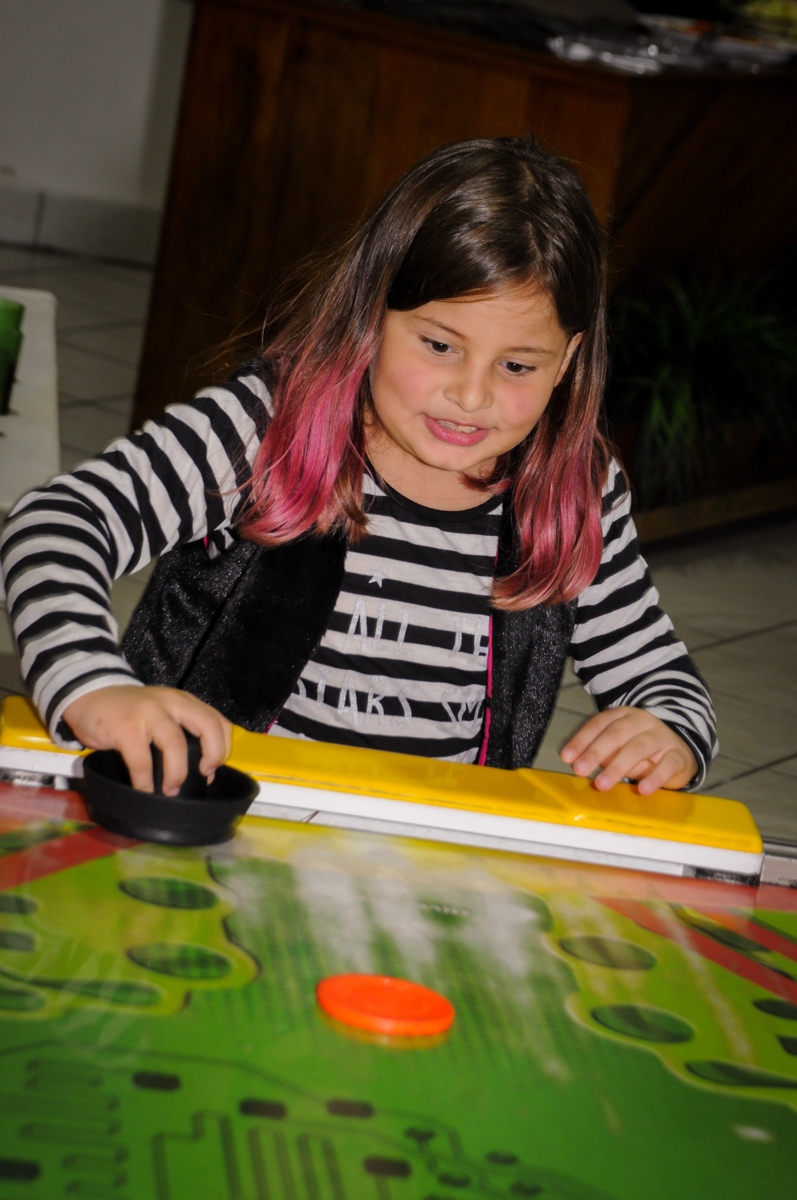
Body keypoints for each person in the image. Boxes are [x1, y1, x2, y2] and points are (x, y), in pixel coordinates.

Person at [0, 137, 716, 799]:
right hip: (207, 820)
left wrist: (667, 733)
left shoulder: (574, 489)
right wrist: (91, 683)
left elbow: (657, 675)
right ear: (371, 315)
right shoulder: (264, 427)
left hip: (423, 860)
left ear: (566, 359)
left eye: (518, 365)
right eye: (439, 346)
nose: (471, 395)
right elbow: (58, 522)